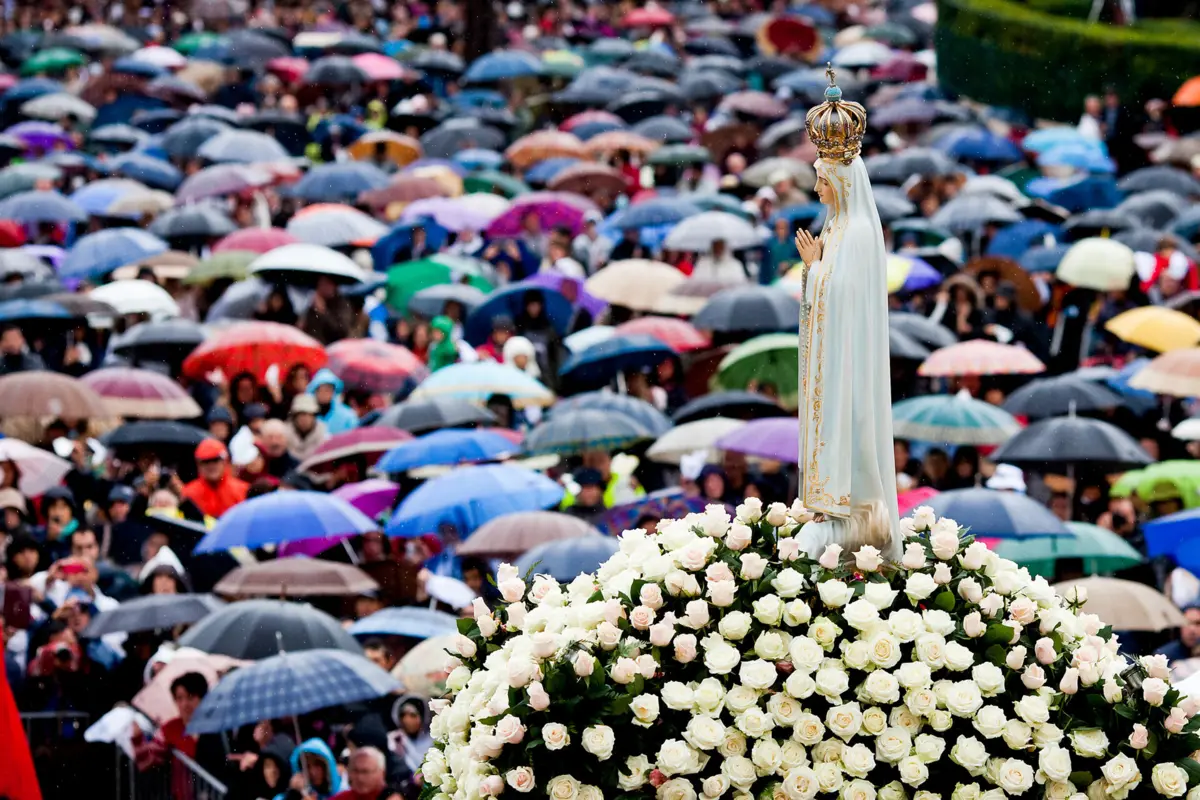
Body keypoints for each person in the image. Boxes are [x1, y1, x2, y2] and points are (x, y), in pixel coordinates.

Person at [794, 68, 900, 560]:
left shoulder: (855, 233)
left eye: (820, 180)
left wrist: (816, 273)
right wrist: (813, 273)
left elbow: (846, 300)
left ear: (838, 178)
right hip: (831, 364)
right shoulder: (835, 227)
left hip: (848, 366)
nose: (817, 191)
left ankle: (853, 505)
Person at [181, 439, 249, 518]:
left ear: (224, 461)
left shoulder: (243, 490)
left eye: (215, 460)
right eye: (206, 461)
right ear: (198, 465)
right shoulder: (188, 493)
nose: (211, 466)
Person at [330, 747, 402, 800]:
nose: (360, 777)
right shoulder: (341, 798)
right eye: (355, 771)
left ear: (382, 773)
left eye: (365, 772)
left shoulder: (395, 796)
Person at [308, 369, 360, 434]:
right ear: (314, 391)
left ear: (333, 392)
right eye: (320, 390)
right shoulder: (307, 413)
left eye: (327, 390)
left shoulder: (348, 416)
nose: (323, 393)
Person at [287, 394, 328, 462]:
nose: (305, 419)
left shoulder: (324, 437)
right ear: (294, 417)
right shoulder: (283, 436)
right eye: (301, 414)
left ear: (314, 417)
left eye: (309, 415)